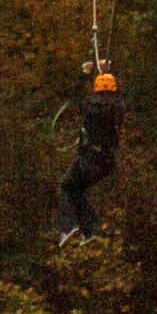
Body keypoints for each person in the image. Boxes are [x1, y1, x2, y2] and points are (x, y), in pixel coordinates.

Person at [53, 59, 126, 241]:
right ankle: (89, 229)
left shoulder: (91, 108)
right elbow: (116, 95)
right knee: (75, 189)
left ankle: (72, 226)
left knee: (67, 186)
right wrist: (106, 71)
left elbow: (75, 95)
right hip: (108, 161)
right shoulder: (119, 107)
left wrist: (85, 73)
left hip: (91, 159)